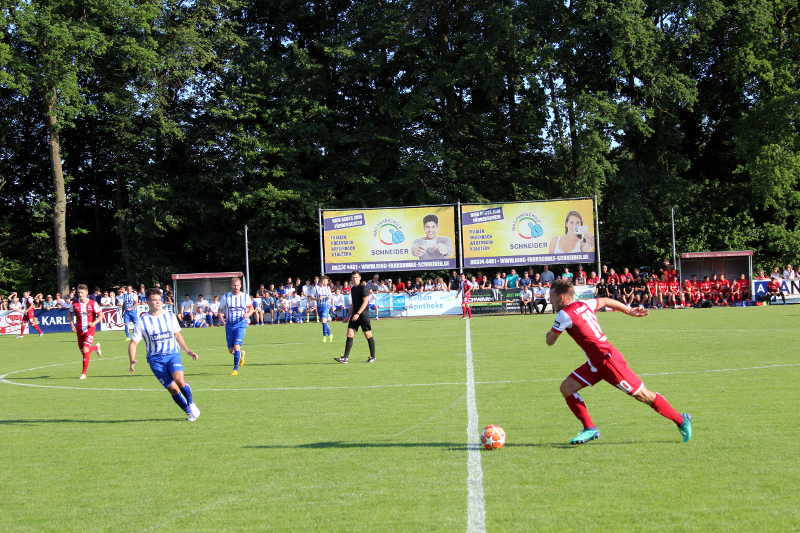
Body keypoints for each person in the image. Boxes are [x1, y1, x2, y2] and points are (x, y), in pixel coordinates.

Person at [545, 279, 692, 445]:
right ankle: (589, 428)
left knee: (643, 395)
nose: (549, 299)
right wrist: (628, 310)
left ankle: (681, 419)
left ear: (561, 297)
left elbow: (550, 341)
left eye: (551, 296)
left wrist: (550, 333)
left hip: (609, 362)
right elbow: (606, 301)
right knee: (567, 388)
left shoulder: (564, 315)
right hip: (595, 363)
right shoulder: (584, 304)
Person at [128, 288, 200, 422]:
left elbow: (177, 334)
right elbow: (133, 343)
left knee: (179, 380)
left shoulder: (169, 315)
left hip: (172, 354)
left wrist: (187, 350)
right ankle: (188, 412)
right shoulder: (142, 321)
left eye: (159, 300)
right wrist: (132, 361)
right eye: (154, 300)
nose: (158, 302)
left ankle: (191, 403)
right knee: (172, 389)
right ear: (147, 302)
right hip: (155, 360)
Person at [334, 271, 376, 364]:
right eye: (353, 277)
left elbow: (365, 302)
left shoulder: (364, 288)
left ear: (360, 278)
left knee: (368, 335)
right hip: (354, 316)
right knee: (349, 334)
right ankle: (345, 358)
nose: (354, 279)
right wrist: (348, 316)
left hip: (363, 316)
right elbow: (353, 304)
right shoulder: (352, 289)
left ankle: (373, 356)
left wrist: (358, 313)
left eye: (356, 277)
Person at [218, 277, 254, 376]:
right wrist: (222, 319)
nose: (236, 287)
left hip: (241, 324)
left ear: (240, 286)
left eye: (238, 285)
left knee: (236, 346)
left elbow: (251, 309)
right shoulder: (226, 297)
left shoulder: (245, 296)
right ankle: (241, 354)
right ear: (231, 286)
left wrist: (248, 314)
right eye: (234, 285)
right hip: (229, 325)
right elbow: (220, 311)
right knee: (231, 350)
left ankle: (235, 370)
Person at [68, 284, 103, 380]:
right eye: (79, 293)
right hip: (79, 331)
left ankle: (84, 373)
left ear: (86, 293)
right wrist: (72, 325)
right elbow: (70, 314)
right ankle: (96, 347)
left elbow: (101, 315)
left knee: (85, 350)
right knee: (84, 352)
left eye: (82, 293)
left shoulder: (93, 303)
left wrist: (94, 323)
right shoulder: (75, 304)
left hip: (89, 331)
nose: (80, 294)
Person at [316, 275, 334, 342]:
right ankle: (330, 334)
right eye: (324, 280)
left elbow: (330, 297)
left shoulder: (328, 288)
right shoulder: (317, 288)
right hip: (319, 307)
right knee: (324, 322)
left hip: (326, 306)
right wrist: (318, 298)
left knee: (324, 320)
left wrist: (332, 306)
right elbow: (313, 297)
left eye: (326, 280)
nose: (325, 281)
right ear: (321, 281)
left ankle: (324, 336)